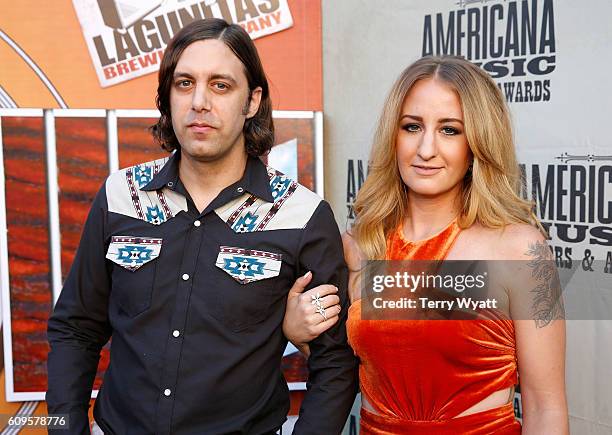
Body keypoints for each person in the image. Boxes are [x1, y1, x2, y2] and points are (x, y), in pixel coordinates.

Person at [46, 18, 357, 435]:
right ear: (167, 97)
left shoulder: (300, 215)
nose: (199, 102)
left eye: (221, 86)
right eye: (185, 83)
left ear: (252, 101)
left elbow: (335, 361)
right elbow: (74, 329)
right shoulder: (121, 196)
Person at [283, 56, 568, 434]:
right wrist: (298, 334)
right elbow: (360, 368)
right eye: (412, 127)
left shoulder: (520, 250)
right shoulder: (361, 244)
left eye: (450, 130)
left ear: (477, 142)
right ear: (393, 135)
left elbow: (546, 407)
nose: (426, 149)